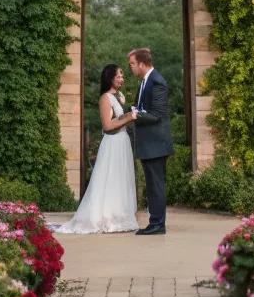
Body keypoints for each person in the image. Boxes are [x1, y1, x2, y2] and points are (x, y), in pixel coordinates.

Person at [54, 63, 139, 234]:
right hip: (113, 143)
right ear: (110, 78)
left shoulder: (119, 96)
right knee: (109, 178)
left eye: (122, 76)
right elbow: (107, 126)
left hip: (122, 142)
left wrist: (126, 115)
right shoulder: (105, 98)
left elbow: (117, 118)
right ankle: (105, 216)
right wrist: (129, 117)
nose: (122, 79)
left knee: (120, 178)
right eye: (118, 76)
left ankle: (119, 214)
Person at [127, 47, 171, 236]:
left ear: (143, 64)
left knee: (156, 185)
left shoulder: (157, 81)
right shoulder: (145, 81)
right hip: (149, 144)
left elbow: (157, 115)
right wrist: (136, 109)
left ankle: (158, 224)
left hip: (156, 144)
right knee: (153, 185)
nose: (131, 68)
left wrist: (136, 114)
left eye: (133, 64)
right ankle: (155, 222)